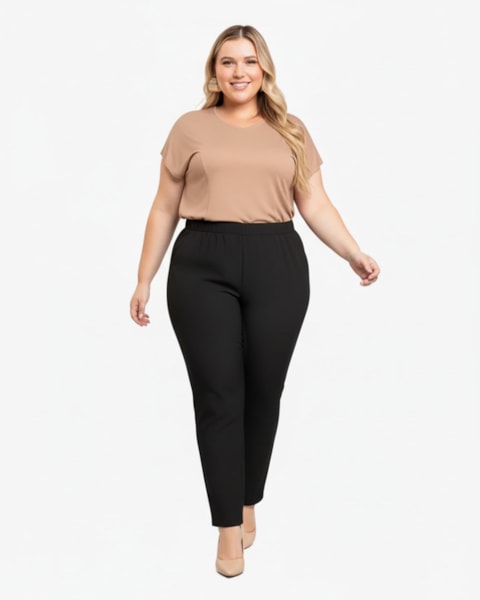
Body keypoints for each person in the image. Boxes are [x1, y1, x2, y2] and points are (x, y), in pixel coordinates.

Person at [129, 24, 380, 578]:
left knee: (264, 389)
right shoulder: (189, 128)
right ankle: (227, 525)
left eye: (248, 61)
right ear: (214, 72)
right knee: (219, 393)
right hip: (202, 263)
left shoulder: (290, 129)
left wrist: (353, 252)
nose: (238, 71)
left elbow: (315, 204)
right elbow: (164, 206)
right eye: (227, 62)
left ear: (263, 68)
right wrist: (144, 277)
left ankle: (247, 497)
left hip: (277, 263)